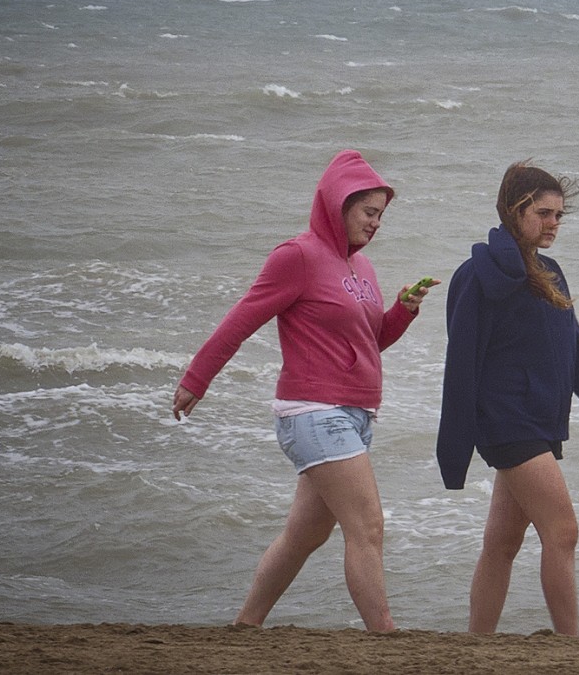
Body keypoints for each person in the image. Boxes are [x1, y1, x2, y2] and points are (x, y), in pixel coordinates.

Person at [171, 149, 438, 633]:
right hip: (313, 412)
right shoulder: (297, 256)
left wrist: (403, 310)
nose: (376, 223)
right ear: (338, 205)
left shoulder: (362, 270)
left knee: (305, 534)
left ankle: (245, 625)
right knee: (367, 526)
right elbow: (242, 318)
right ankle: (385, 634)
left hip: (355, 414)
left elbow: (370, 341)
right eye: (368, 212)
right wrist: (197, 378)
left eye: (381, 215)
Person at [436, 161, 579, 637]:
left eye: (560, 216)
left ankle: (476, 642)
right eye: (544, 213)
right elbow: (460, 367)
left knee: (502, 543)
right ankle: (571, 644)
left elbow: (574, 351)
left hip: (540, 422)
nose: (554, 224)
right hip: (507, 425)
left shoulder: (551, 271)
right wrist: (459, 445)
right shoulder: (474, 277)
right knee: (563, 532)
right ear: (514, 210)